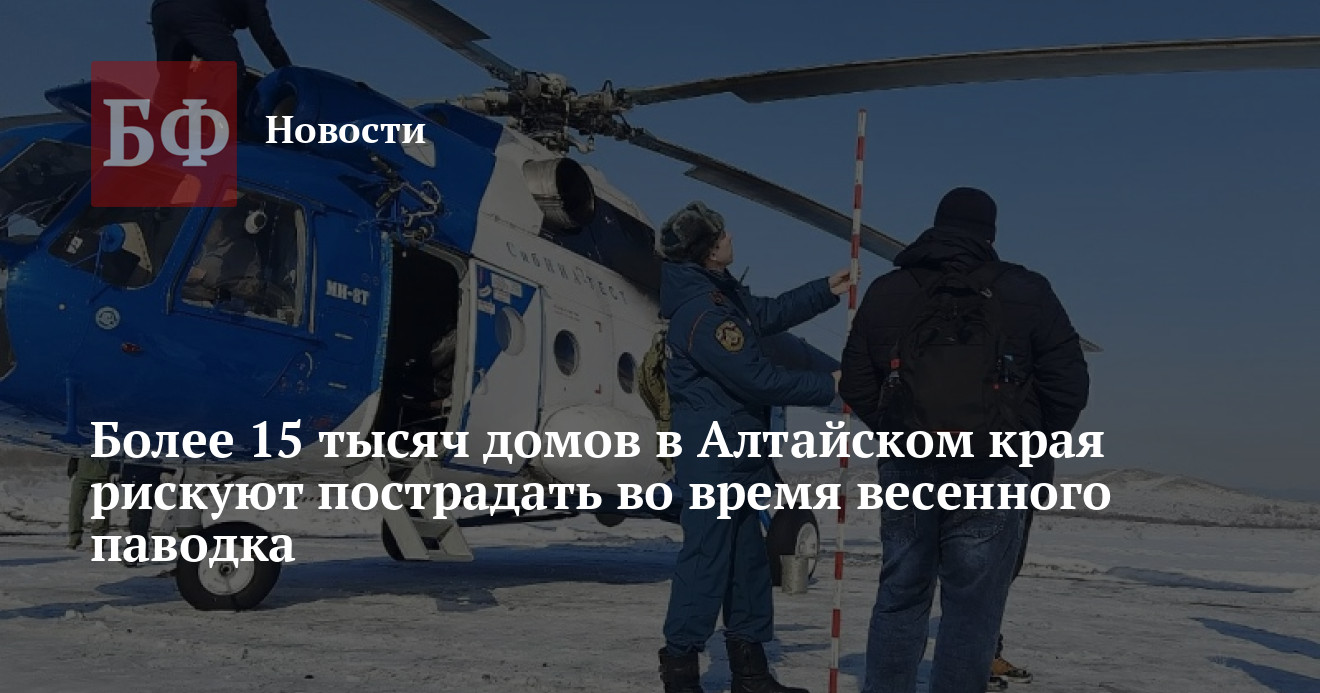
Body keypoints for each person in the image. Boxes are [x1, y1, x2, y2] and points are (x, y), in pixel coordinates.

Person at [839, 187, 1088, 693]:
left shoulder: (890, 290)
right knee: (972, 608)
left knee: (901, 595)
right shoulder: (1026, 291)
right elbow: (1069, 387)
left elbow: (856, 382)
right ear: (990, 235)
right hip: (993, 470)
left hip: (909, 467)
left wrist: (896, 431)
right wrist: (1027, 443)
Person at [655, 201, 853, 693]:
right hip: (714, 458)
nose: (730, 238)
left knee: (747, 563)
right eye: (722, 234)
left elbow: (765, 314)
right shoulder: (703, 314)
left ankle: (750, 673)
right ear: (708, 251)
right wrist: (827, 384)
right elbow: (758, 378)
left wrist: (824, 290)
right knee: (706, 562)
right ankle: (680, 672)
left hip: (740, 454)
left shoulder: (721, 296)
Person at [150, 0, 293, 76]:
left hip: (161, 9)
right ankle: (220, 119)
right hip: (198, 11)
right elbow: (264, 35)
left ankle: (164, 120)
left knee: (171, 81)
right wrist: (287, 69)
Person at [67, 456, 112, 550]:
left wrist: (115, 471)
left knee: (102, 510)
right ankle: (74, 538)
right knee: (75, 507)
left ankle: (98, 541)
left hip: (104, 476)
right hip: (82, 474)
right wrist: (72, 470)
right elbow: (76, 450)